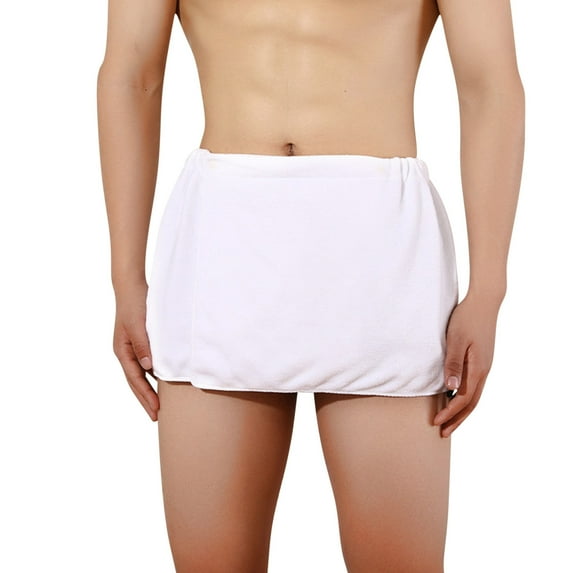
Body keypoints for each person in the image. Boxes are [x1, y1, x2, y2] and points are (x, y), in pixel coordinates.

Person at [97, 0, 524, 570]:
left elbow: (489, 84)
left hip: (379, 247)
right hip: (224, 238)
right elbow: (132, 76)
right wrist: (124, 278)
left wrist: (489, 290)